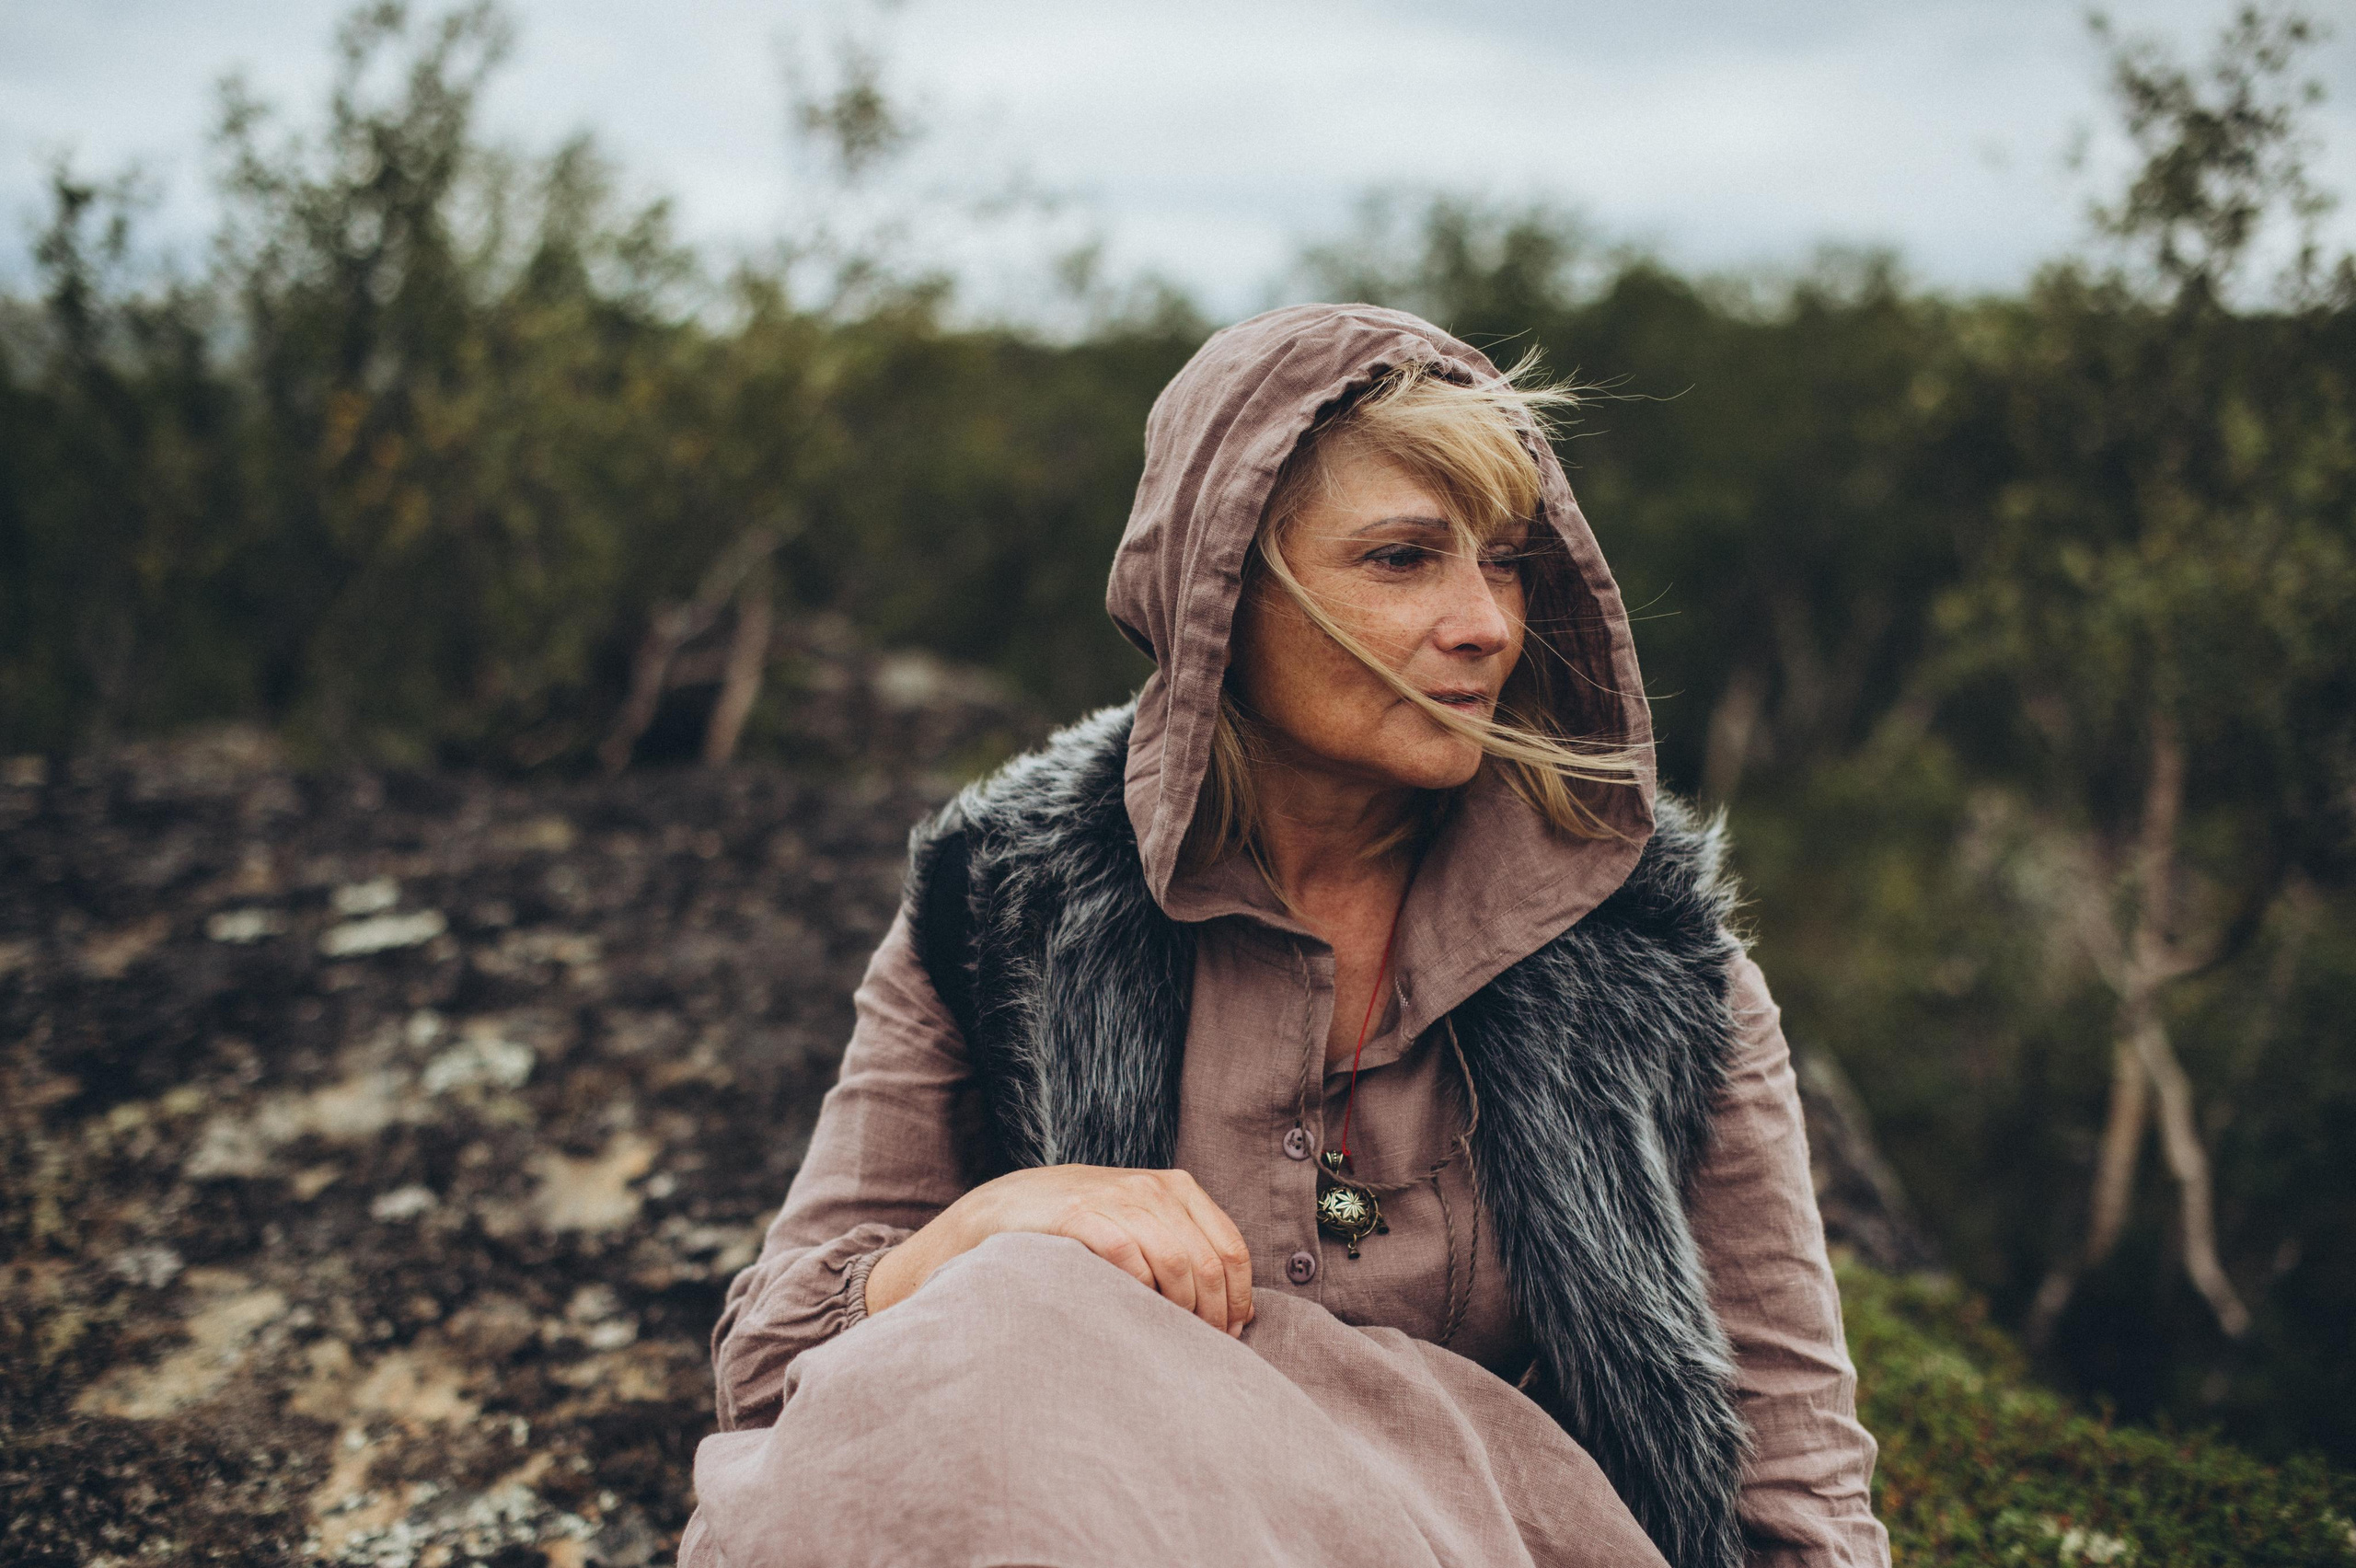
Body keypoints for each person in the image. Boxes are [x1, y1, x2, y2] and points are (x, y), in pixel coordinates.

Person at [679, 304, 1889, 1568]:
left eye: (1504, 561)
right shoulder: (1007, 906)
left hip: (1498, 1545)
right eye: (1402, 559)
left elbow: (1794, 1470)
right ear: (1219, 592)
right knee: (1021, 1300)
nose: (1485, 622)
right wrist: (998, 1222)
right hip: (1099, 1534)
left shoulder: (1647, 954)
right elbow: (774, 1364)